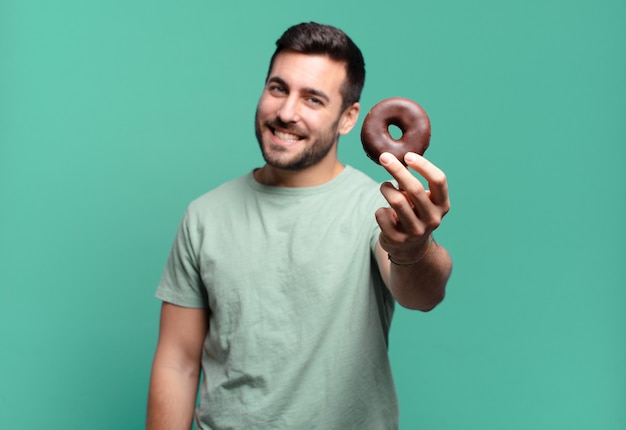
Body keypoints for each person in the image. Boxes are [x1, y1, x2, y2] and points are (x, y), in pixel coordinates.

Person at [146, 22, 452, 430]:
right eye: (278, 88)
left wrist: (414, 249)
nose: (286, 112)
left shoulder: (376, 209)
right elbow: (178, 363)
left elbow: (423, 293)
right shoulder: (205, 215)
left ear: (348, 118)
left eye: (313, 99)